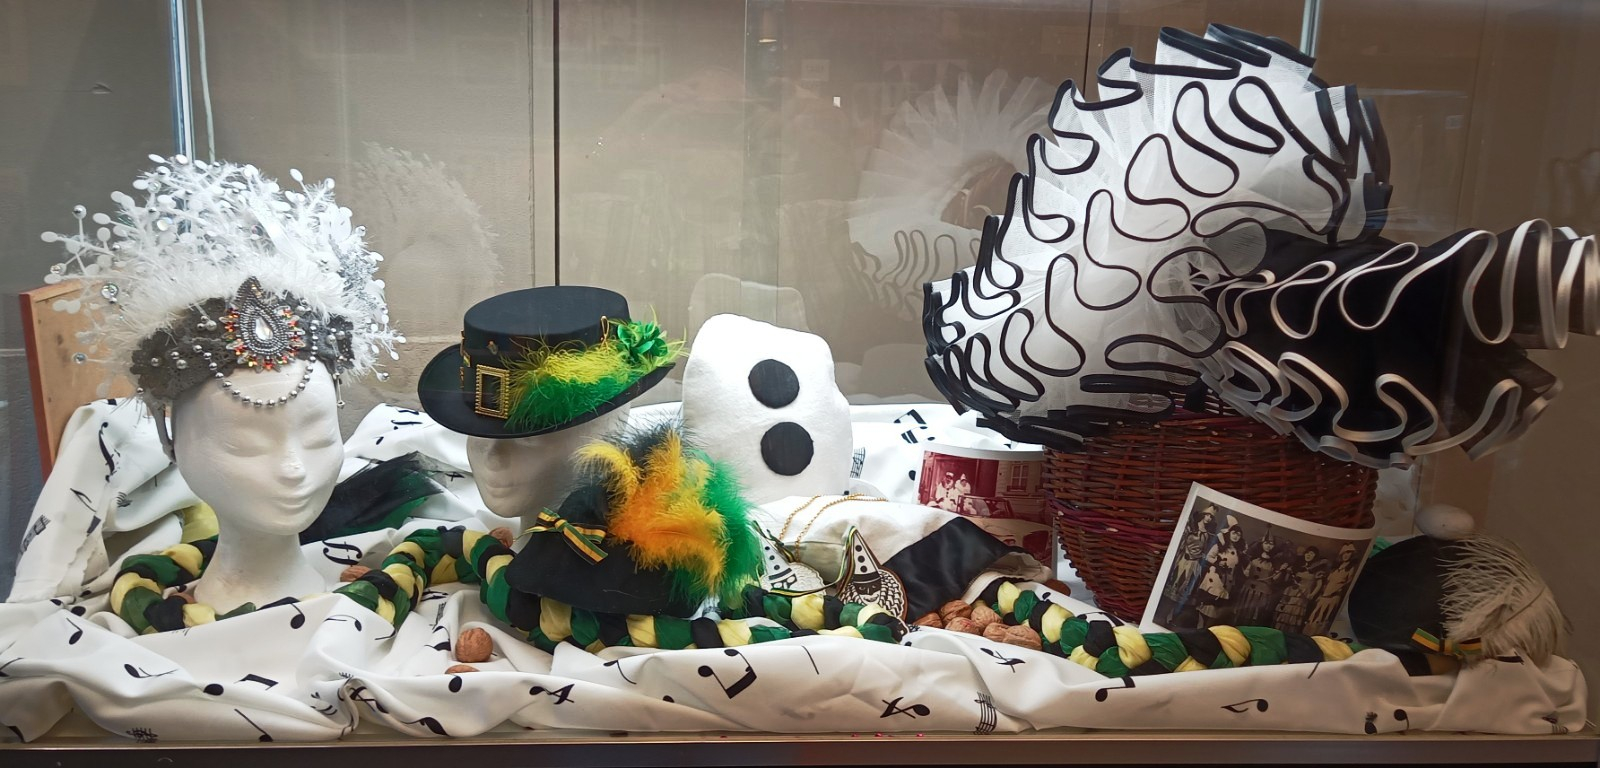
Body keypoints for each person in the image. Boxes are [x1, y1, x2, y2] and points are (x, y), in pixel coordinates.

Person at [1306, 542, 1361, 634]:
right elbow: (1327, 583)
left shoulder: (1351, 569)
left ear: (1352, 554)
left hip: (1333, 598)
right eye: (1344, 553)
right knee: (1314, 618)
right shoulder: (1335, 568)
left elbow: (1347, 584)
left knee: (1324, 620)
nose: (1345, 555)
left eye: (1348, 553)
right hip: (1324, 597)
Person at [1276, 545, 1327, 633]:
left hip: (1303, 596)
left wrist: (1312, 594)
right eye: (1307, 553)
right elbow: (1288, 579)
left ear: (1315, 556)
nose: (1308, 555)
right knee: (1285, 612)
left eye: (1311, 554)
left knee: (1294, 615)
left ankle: (1288, 634)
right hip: (1291, 593)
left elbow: (1319, 584)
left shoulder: (1317, 570)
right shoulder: (1298, 566)